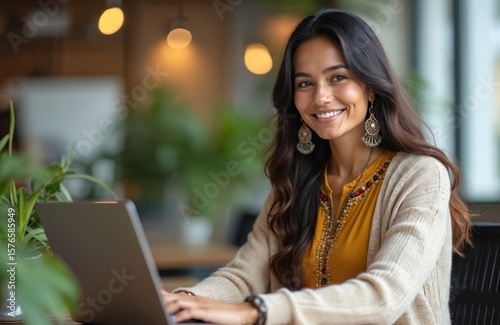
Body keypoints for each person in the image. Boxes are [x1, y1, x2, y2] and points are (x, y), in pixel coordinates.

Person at [163, 8, 472, 325]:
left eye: (338, 77)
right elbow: (244, 277)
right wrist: (182, 302)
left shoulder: (420, 175)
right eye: (305, 83)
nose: (321, 97)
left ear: (370, 86)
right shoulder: (297, 180)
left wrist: (256, 311)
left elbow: (384, 295)